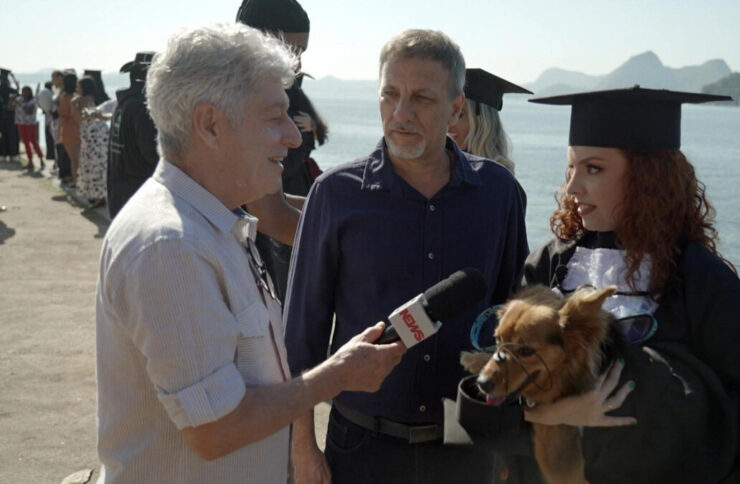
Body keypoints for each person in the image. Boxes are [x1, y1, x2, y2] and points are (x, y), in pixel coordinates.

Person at [95, 22, 405, 483]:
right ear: (210, 124)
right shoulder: (170, 247)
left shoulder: (210, 226)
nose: (294, 136)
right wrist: (336, 375)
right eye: (274, 116)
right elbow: (215, 430)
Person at [518, 86, 740, 482]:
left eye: (593, 168)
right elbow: (497, 385)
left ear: (646, 178)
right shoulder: (551, 265)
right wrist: (554, 413)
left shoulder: (698, 278)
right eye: (571, 169)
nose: (572, 188)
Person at [284, 29, 529, 484]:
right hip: (360, 447)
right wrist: (303, 449)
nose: (401, 114)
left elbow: (513, 322)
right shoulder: (335, 195)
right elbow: (301, 337)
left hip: (464, 447)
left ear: (456, 108)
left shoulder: (499, 194)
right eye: (390, 95)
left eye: (420, 98)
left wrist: (507, 447)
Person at [237, 0, 328, 302]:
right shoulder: (243, 94)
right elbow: (270, 213)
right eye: (295, 50)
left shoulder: (233, 84)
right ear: (265, 36)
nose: (299, 62)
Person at [448, 68, 530, 175]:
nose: (449, 123)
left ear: (483, 122)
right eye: (446, 113)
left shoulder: (497, 180)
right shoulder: (438, 171)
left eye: (460, 115)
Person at [106, 52, 159, 218]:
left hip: (118, 189)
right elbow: (152, 154)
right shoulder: (142, 107)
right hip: (138, 192)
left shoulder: (125, 102)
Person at [75, 76, 110, 207]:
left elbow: (79, 119)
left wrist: (73, 106)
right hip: (98, 135)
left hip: (91, 137)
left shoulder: (82, 100)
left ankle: (97, 197)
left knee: (92, 165)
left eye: (78, 86)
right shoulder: (99, 97)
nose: (76, 89)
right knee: (99, 165)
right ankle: (99, 195)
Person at [57, 70, 80, 186]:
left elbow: (62, 117)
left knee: (73, 159)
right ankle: (78, 180)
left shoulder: (65, 97)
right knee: (79, 158)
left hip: (68, 130)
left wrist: (58, 133)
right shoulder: (78, 96)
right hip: (79, 129)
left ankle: (75, 181)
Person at [14, 85, 44, 171]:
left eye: (26, 91)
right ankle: (30, 161)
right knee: (25, 142)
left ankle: (41, 158)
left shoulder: (33, 101)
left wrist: (19, 103)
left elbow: (28, 112)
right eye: (23, 91)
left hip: (30, 124)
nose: (24, 94)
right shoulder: (19, 99)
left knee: (33, 141)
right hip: (21, 123)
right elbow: (11, 107)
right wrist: (12, 100)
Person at [0, 68, 20, 163]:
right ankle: (12, 154)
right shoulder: (12, 90)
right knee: (9, 135)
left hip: (7, 115)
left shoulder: (11, 90)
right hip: (9, 115)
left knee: (5, 135)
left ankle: (5, 154)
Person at [37, 80, 56, 163]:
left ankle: (55, 160)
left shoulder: (51, 97)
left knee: (52, 142)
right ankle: (55, 160)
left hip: (49, 123)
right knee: (53, 142)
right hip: (51, 123)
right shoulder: (53, 97)